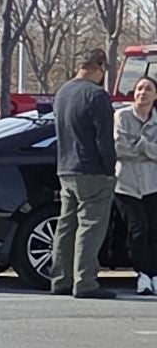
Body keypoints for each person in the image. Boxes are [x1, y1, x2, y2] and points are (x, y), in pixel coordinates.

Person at [51, 48, 119, 299]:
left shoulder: (63, 92)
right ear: (100, 67)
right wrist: (110, 170)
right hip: (92, 169)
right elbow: (104, 139)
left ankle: (60, 279)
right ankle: (85, 281)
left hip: (66, 167)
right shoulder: (97, 95)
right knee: (90, 226)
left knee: (66, 225)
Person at [114, 75, 157, 295]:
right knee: (138, 229)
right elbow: (120, 149)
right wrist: (148, 149)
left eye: (148, 89)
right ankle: (142, 274)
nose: (142, 92)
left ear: (155, 95)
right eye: (139, 88)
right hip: (126, 185)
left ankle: (153, 275)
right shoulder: (122, 116)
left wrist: (140, 145)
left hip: (152, 184)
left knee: (153, 231)